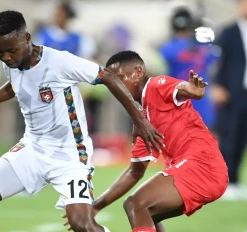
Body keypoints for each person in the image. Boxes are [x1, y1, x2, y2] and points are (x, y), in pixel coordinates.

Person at [0, 11, 164, 232]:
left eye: (11, 50)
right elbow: (15, 85)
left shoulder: (59, 62)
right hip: (32, 148)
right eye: (0, 52)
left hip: (70, 156)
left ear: (27, 38)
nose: (7, 57)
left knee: (82, 225)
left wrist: (139, 118)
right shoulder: (11, 62)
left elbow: (108, 76)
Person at [63, 51, 228, 232]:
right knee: (145, 212)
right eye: (110, 81)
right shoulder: (143, 120)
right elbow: (135, 172)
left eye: (119, 78)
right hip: (200, 171)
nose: (114, 85)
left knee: (136, 203)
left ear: (138, 72)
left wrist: (191, 90)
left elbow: (180, 89)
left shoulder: (156, 85)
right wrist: (96, 206)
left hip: (202, 166)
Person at [160, 7, 219, 129]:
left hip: (177, 105)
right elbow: (219, 58)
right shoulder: (205, 49)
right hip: (202, 104)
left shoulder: (166, 49)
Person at [212, 0, 247, 200]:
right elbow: (217, 61)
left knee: (242, 139)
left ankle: (237, 181)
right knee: (230, 137)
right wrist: (217, 85)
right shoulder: (229, 32)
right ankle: (227, 182)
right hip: (233, 93)